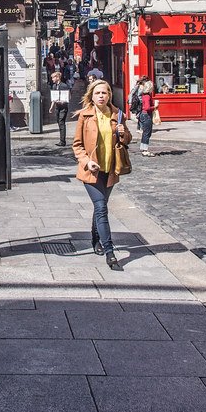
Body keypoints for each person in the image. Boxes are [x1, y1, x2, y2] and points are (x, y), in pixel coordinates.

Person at [72, 79, 131, 271]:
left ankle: (95, 238)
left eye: (104, 93)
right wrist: (87, 161)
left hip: (110, 169)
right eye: (97, 93)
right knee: (101, 207)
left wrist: (123, 133)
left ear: (109, 95)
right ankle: (110, 252)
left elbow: (127, 140)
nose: (101, 96)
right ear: (92, 95)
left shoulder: (117, 114)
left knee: (101, 207)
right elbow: (77, 145)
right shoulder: (85, 116)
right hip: (92, 170)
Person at [48, 71, 71, 147]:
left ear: (58, 77)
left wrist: (63, 101)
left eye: (53, 77)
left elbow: (68, 97)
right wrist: (51, 107)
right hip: (57, 107)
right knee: (59, 122)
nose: (52, 79)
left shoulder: (64, 86)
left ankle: (62, 141)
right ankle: (61, 140)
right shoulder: (54, 86)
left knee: (61, 122)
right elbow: (54, 98)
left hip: (63, 107)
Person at [138, 79, 157, 157]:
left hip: (143, 115)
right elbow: (147, 108)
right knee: (147, 133)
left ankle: (143, 148)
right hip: (146, 115)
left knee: (145, 133)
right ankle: (145, 150)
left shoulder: (144, 95)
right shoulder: (147, 96)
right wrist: (155, 107)